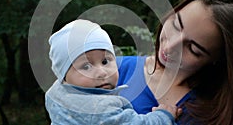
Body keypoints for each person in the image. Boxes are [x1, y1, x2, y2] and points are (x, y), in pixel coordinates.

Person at [117, 0, 233, 125]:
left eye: (193, 49)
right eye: (176, 25)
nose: (170, 47)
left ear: (219, 59)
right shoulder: (110, 71)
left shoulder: (223, 113)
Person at [45, 19, 182, 125]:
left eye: (105, 61)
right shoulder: (99, 109)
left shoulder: (55, 94)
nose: (101, 73)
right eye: (86, 67)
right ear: (64, 77)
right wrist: (163, 116)